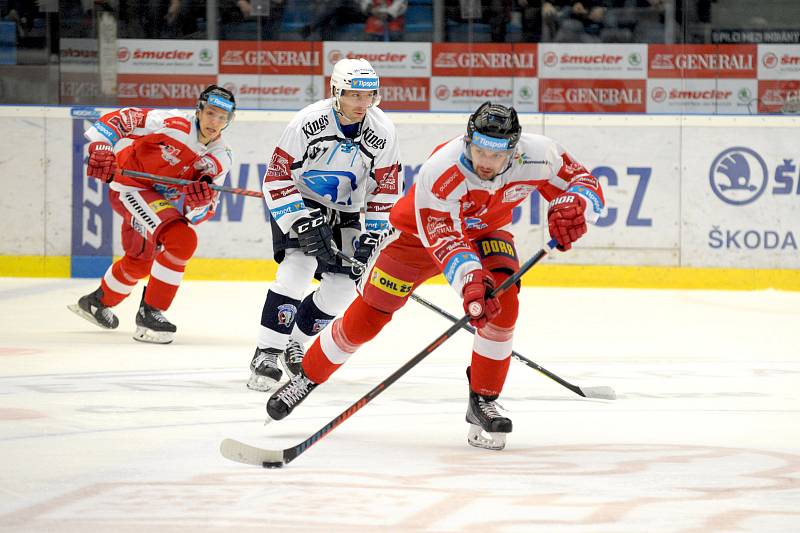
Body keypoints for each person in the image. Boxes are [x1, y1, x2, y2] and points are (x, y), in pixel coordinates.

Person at [264, 101, 605, 451]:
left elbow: (585, 182)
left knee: (505, 305)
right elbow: (446, 240)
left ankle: (483, 400)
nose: (487, 162)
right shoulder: (442, 169)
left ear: (514, 150)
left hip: (487, 233)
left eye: (498, 153)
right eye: (480, 150)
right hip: (414, 240)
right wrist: (471, 283)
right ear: (468, 140)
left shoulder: (540, 155)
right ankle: (308, 376)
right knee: (369, 316)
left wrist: (575, 205)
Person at [249, 58, 402, 392]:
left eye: (370, 95)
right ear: (336, 91)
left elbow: (385, 190)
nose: (363, 104)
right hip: (299, 200)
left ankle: (296, 342)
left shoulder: (383, 131)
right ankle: (268, 351)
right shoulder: (306, 122)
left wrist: (373, 238)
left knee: (345, 285)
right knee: (299, 264)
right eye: (354, 95)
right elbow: (276, 178)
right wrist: (301, 221)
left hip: (345, 211)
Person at [68, 85, 236, 344]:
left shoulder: (220, 157)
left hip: (155, 201)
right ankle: (150, 313)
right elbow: (121, 119)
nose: (215, 122)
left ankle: (96, 303)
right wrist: (102, 147)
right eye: (211, 113)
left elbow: (202, 210)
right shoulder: (172, 124)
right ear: (199, 110)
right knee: (182, 240)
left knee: (140, 261)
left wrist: (199, 200)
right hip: (129, 186)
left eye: (222, 118)